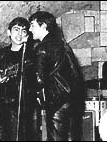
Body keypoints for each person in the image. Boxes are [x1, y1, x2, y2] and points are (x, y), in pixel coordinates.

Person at [28, 11, 86, 141]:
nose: (30, 29)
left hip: (56, 102)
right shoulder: (63, 44)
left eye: (32, 25)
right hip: (73, 101)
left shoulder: (42, 48)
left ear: (43, 26)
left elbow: (38, 79)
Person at [0, 17, 37, 141]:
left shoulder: (30, 54)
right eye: (16, 30)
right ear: (9, 32)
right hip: (2, 103)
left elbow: (32, 77)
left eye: (23, 31)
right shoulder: (2, 54)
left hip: (22, 105)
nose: (19, 34)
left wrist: (25, 47)